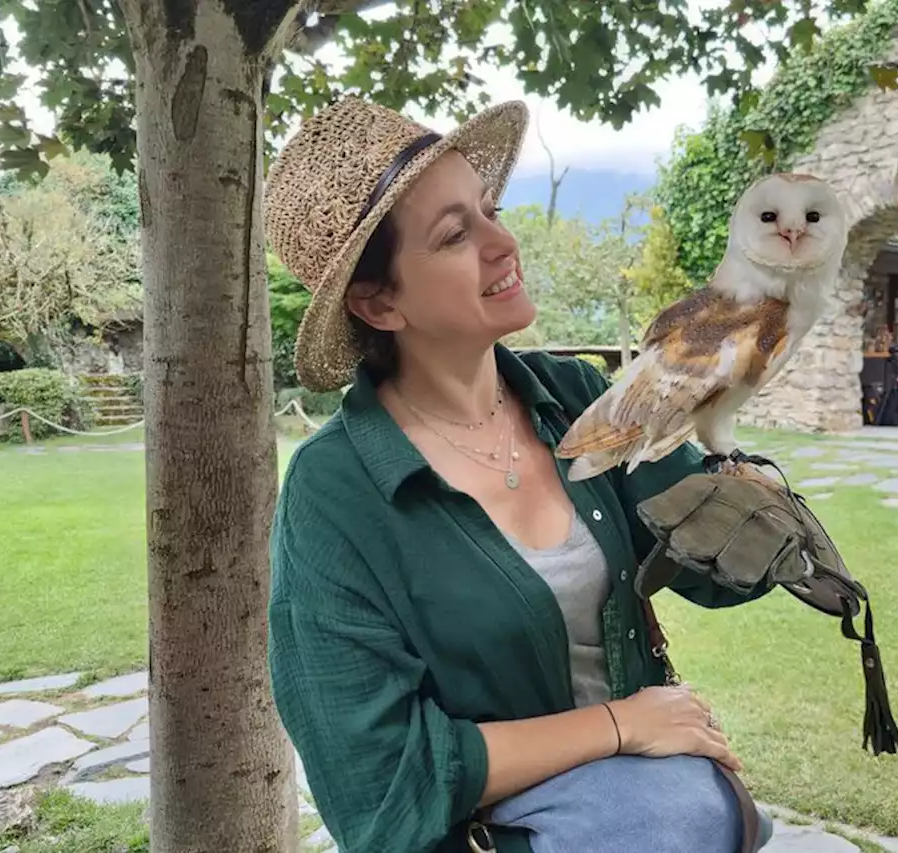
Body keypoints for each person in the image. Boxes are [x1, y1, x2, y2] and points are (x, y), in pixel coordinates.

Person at [263, 96, 775, 853]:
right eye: (455, 234)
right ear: (378, 300)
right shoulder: (333, 491)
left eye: (491, 208)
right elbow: (376, 781)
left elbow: (718, 572)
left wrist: (749, 483)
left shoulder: (571, 398)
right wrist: (620, 725)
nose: (504, 243)